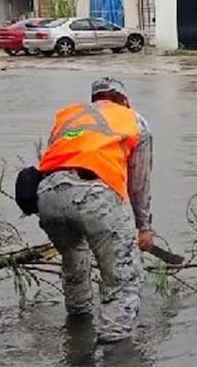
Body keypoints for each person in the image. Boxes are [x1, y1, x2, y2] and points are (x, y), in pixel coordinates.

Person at [35, 77, 155, 344]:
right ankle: (117, 360)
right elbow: (139, 183)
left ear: (96, 99)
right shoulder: (133, 120)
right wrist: (143, 227)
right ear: (123, 100)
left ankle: (77, 331)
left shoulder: (69, 118)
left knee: (74, 261)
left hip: (48, 196)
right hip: (97, 196)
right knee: (123, 280)